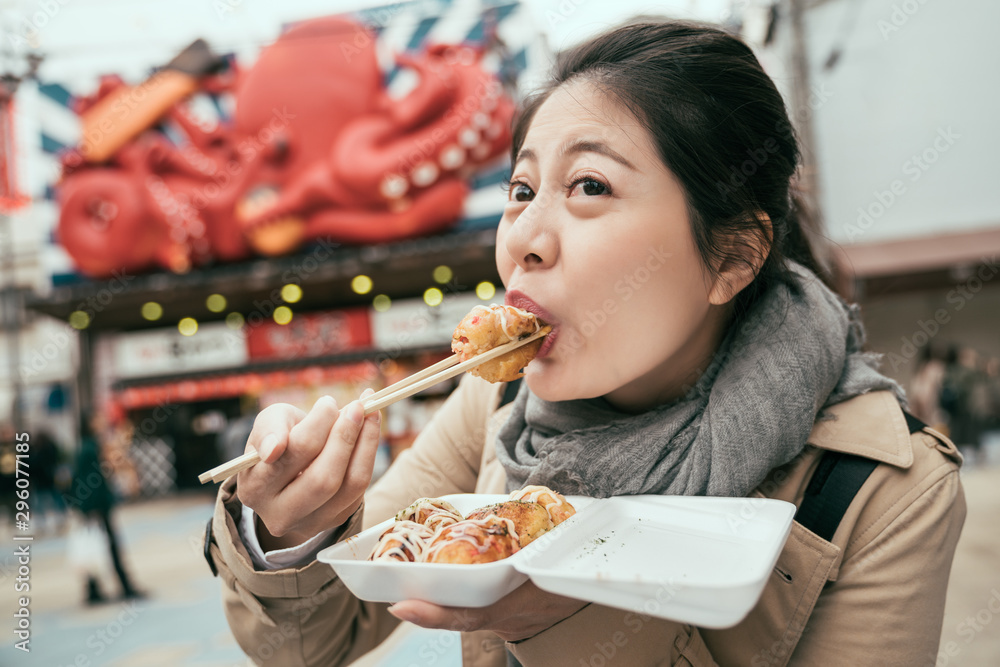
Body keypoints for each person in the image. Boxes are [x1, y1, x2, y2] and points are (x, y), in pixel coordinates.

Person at [206, 19, 965, 666]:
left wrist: (562, 622)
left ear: (732, 256)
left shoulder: (879, 491)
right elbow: (316, 637)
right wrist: (290, 533)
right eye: (522, 191)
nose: (523, 242)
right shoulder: (497, 402)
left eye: (590, 187)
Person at [69, 410, 145, 604]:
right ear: (90, 423)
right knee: (108, 545)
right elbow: (89, 480)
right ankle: (123, 586)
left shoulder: (88, 446)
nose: (102, 421)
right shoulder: (90, 448)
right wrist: (92, 507)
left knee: (100, 545)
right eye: (97, 419)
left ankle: (94, 589)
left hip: (93, 506)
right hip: (97, 506)